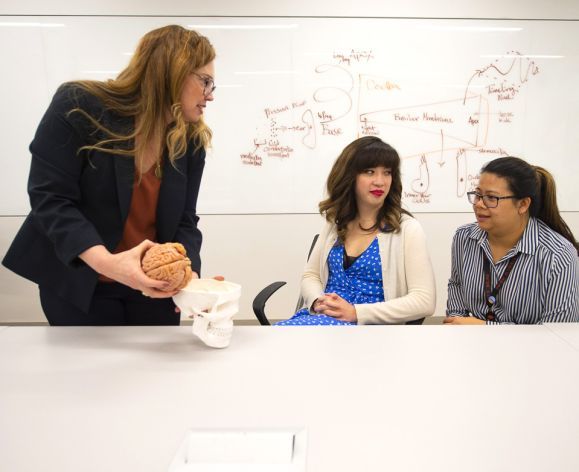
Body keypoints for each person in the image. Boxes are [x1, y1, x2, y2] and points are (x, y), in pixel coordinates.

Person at [2, 25, 216, 326]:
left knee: (155, 370)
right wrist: (110, 264)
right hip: (78, 280)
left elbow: (185, 219)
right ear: (173, 71)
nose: (210, 96)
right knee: (87, 369)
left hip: (151, 288)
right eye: (205, 81)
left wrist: (188, 274)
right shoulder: (78, 106)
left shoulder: (190, 141)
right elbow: (50, 199)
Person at [277, 136, 436, 325]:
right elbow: (311, 275)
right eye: (369, 172)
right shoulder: (336, 222)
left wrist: (356, 312)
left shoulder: (407, 229)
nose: (380, 182)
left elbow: (425, 301)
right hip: (321, 320)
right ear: (349, 176)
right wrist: (318, 301)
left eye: (387, 173)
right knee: (273, 345)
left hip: (369, 329)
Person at [445, 156, 579, 325]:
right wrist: (456, 322)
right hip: (471, 344)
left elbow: (556, 334)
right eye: (478, 195)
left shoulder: (558, 255)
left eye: (491, 198)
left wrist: (484, 328)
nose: (479, 204)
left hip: (532, 351)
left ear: (523, 204)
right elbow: (456, 285)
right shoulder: (464, 237)